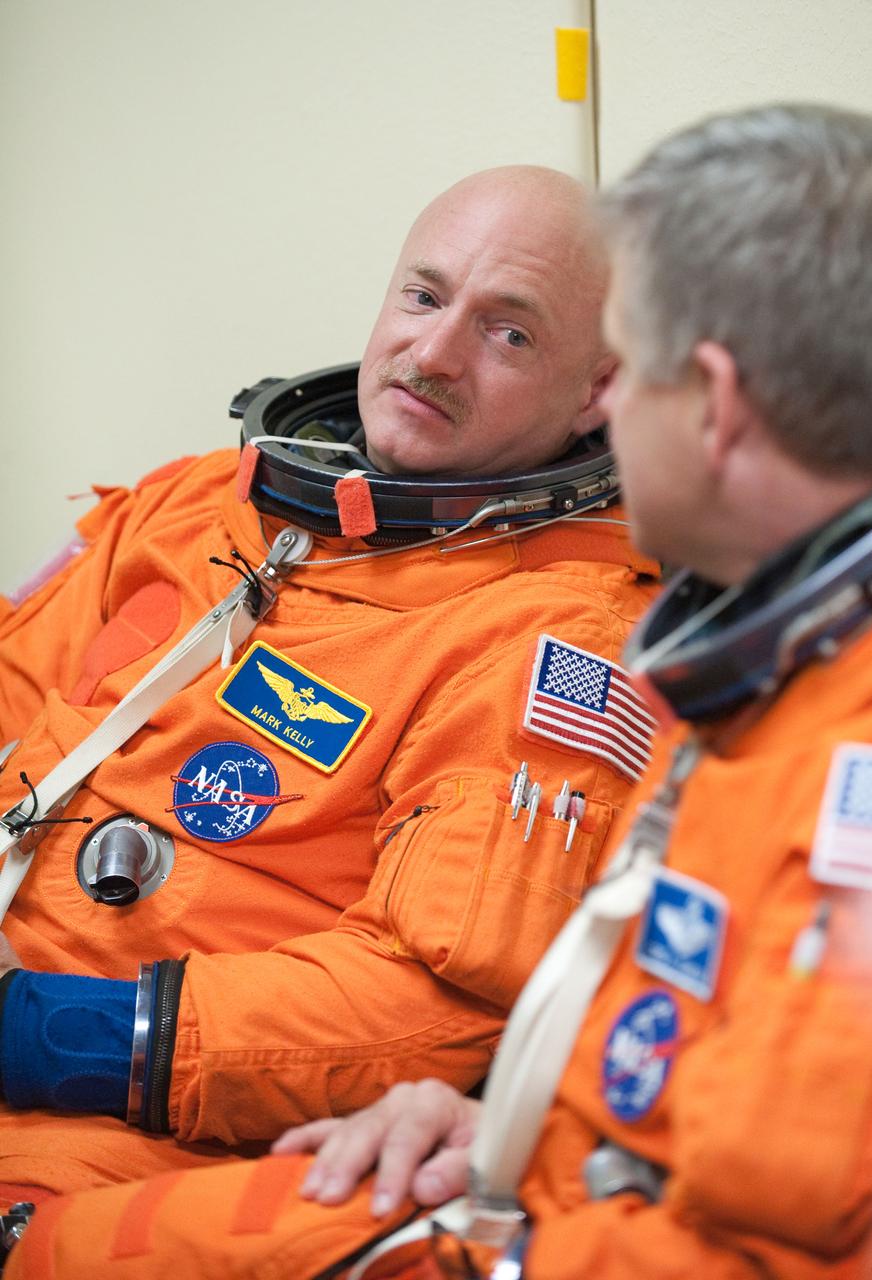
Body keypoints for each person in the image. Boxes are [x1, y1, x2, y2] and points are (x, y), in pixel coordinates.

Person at [4, 102, 872, 1280]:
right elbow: (680, 1088)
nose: (607, 429)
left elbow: (757, 1231)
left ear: (710, 401)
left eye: (611, 372)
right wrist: (512, 1117)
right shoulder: (814, 664)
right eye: (425, 298)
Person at [0, 165, 660, 1203]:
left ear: (597, 390)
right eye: (424, 295)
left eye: (509, 332)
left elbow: (428, 1006)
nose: (432, 353)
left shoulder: (558, 635)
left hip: (130, 1139)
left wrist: (49, 1032)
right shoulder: (188, 504)